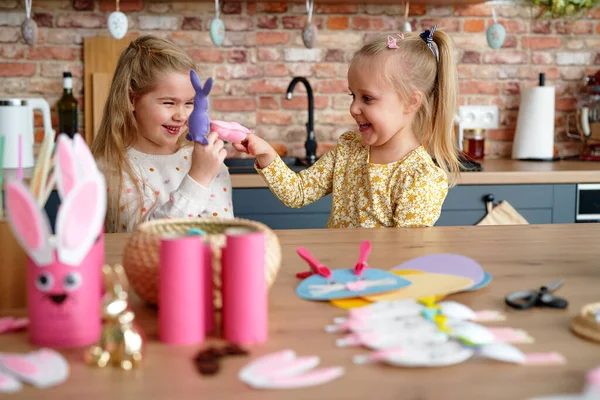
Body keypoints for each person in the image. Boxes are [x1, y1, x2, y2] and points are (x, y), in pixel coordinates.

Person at [234, 26, 460, 228]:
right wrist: (266, 153)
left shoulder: (420, 178)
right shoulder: (349, 150)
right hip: (337, 272)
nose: (353, 108)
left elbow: (405, 253)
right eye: (353, 96)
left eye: (368, 98)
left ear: (411, 101)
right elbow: (298, 193)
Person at [91, 35, 233, 233]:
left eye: (189, 103)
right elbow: (144, 239)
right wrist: (198, 178)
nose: (181, 116)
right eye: (168, 103)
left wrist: (206, 171)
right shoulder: (111, 167)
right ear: (132, 99)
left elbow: (221, 232)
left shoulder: (204, 159)